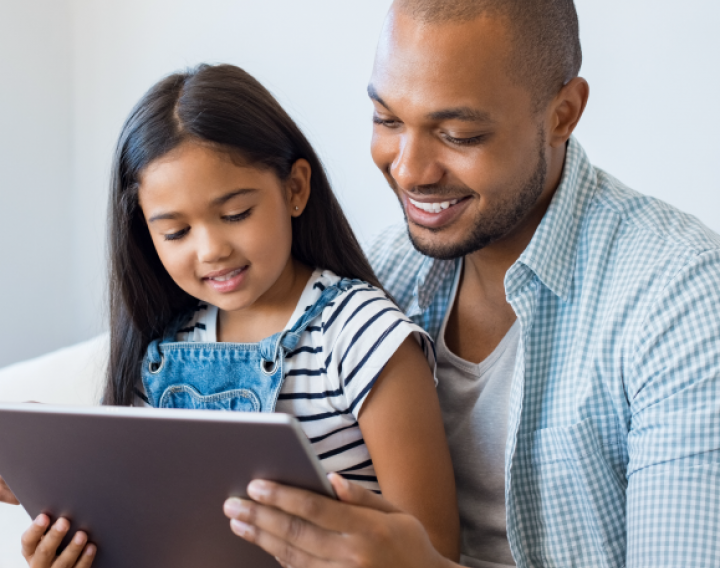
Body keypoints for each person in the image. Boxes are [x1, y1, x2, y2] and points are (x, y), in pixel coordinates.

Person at [221, 1, 720, 567]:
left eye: (458, 134)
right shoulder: (378, 278)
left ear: (562, 114)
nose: (408, 170)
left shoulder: (681, 299)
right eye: (387, 120)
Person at [8, 63, 459, 567]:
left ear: (295, 189)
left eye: (235, 214)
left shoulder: (361, 335)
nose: (211, 250)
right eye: (176, 232)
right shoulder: (162, 348)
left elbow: (433, 550)